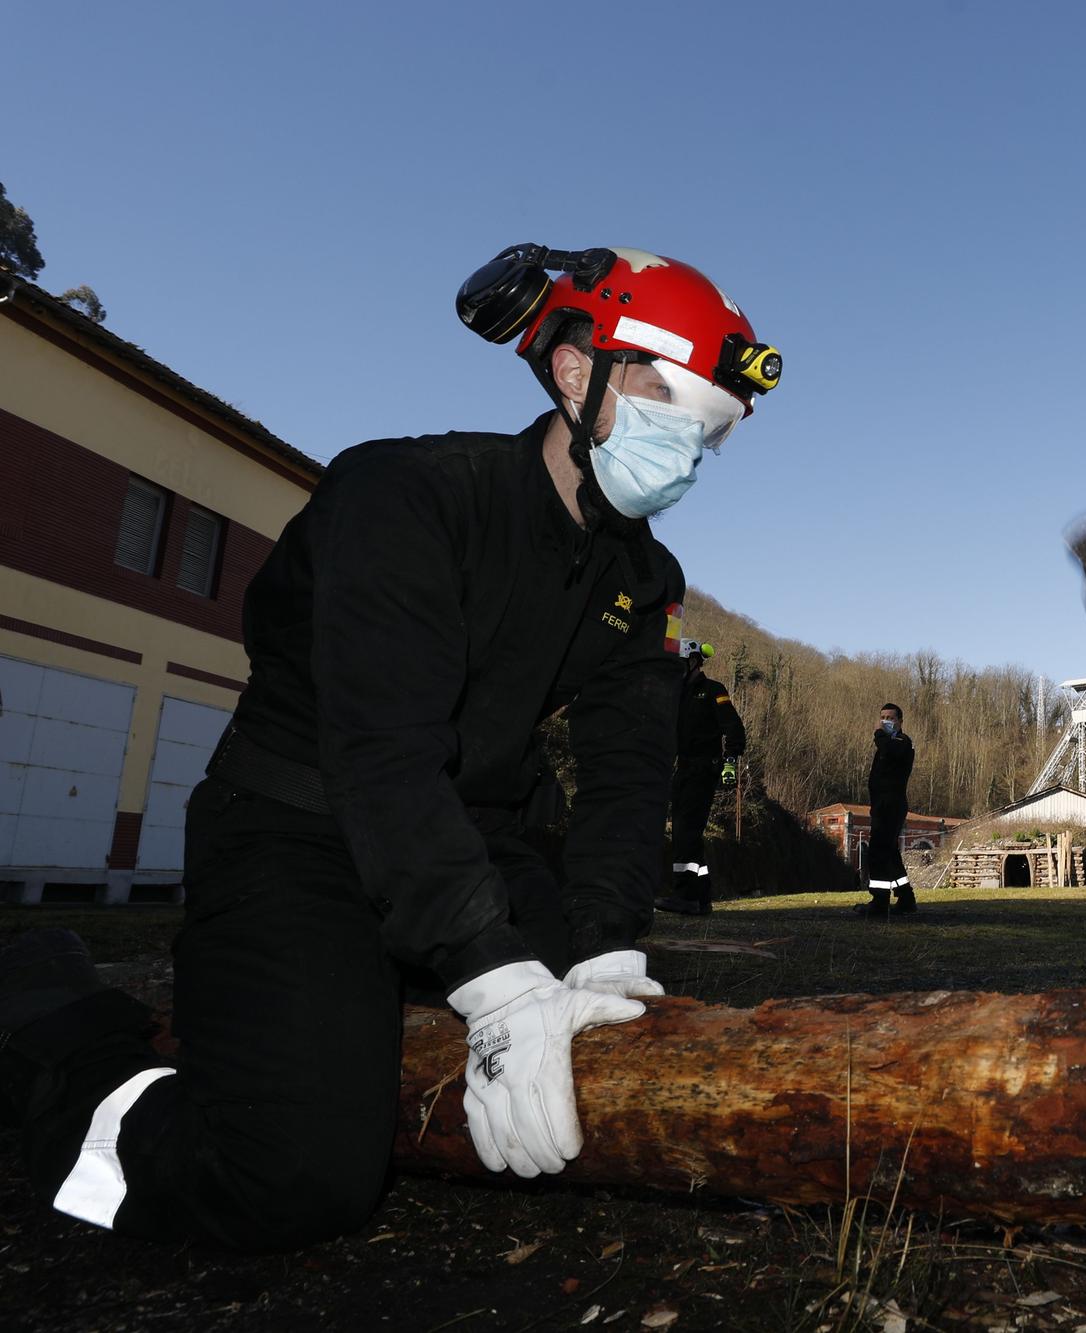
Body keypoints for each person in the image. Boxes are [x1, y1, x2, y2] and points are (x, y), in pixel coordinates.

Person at [0, 244, 780, 1250]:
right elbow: (379, 749)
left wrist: (601, 948)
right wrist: (493, 983)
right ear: (577, 372)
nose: (688, 443)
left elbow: (627, 775)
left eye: (709, 430)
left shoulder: (643, 578)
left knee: (601, 1040)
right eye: (672, 402)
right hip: (298, 828)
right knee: (296, 1174)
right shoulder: (403, 496)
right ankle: (54, 1035)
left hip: (464, 839)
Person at [660, 640, 746, 916]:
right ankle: (702, 897)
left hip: (703, 769)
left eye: (680, 663)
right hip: (683, 768)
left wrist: (730, 760)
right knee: (691, 835)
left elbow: (733, 728)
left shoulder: (712, 691)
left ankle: (684, 896)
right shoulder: (676, 694)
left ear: (694, 662)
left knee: (685, 832)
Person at [856, 704, 916, 918]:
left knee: (879, 852)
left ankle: (879, 901)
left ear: (900, 721)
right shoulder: (887, 743)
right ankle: (905, 896)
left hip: (892, 805)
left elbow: (888, 750)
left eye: (890, 717)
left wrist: (879, 733)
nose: (885, 721)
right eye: (882, 717)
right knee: (889, 852)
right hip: (881, 804)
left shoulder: (902, 742)